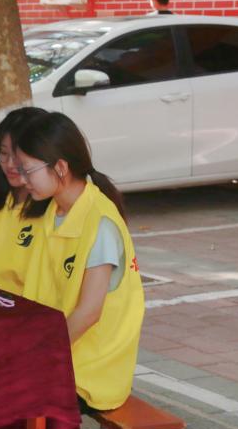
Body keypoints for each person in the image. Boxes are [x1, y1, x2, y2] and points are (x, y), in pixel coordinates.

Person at [12, 110, 144, 413]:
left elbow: (88, 313)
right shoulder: (53, 211)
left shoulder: (100, 222)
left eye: (28, 170)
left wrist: (38, 354)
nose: (22, 179)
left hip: (90, 371)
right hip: (57, 351)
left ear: (60, 167)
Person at [0, 108, 50, 295]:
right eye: (4, 153)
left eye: (18, 155)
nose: (10, 164)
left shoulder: (55, 205)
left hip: (31, 306)